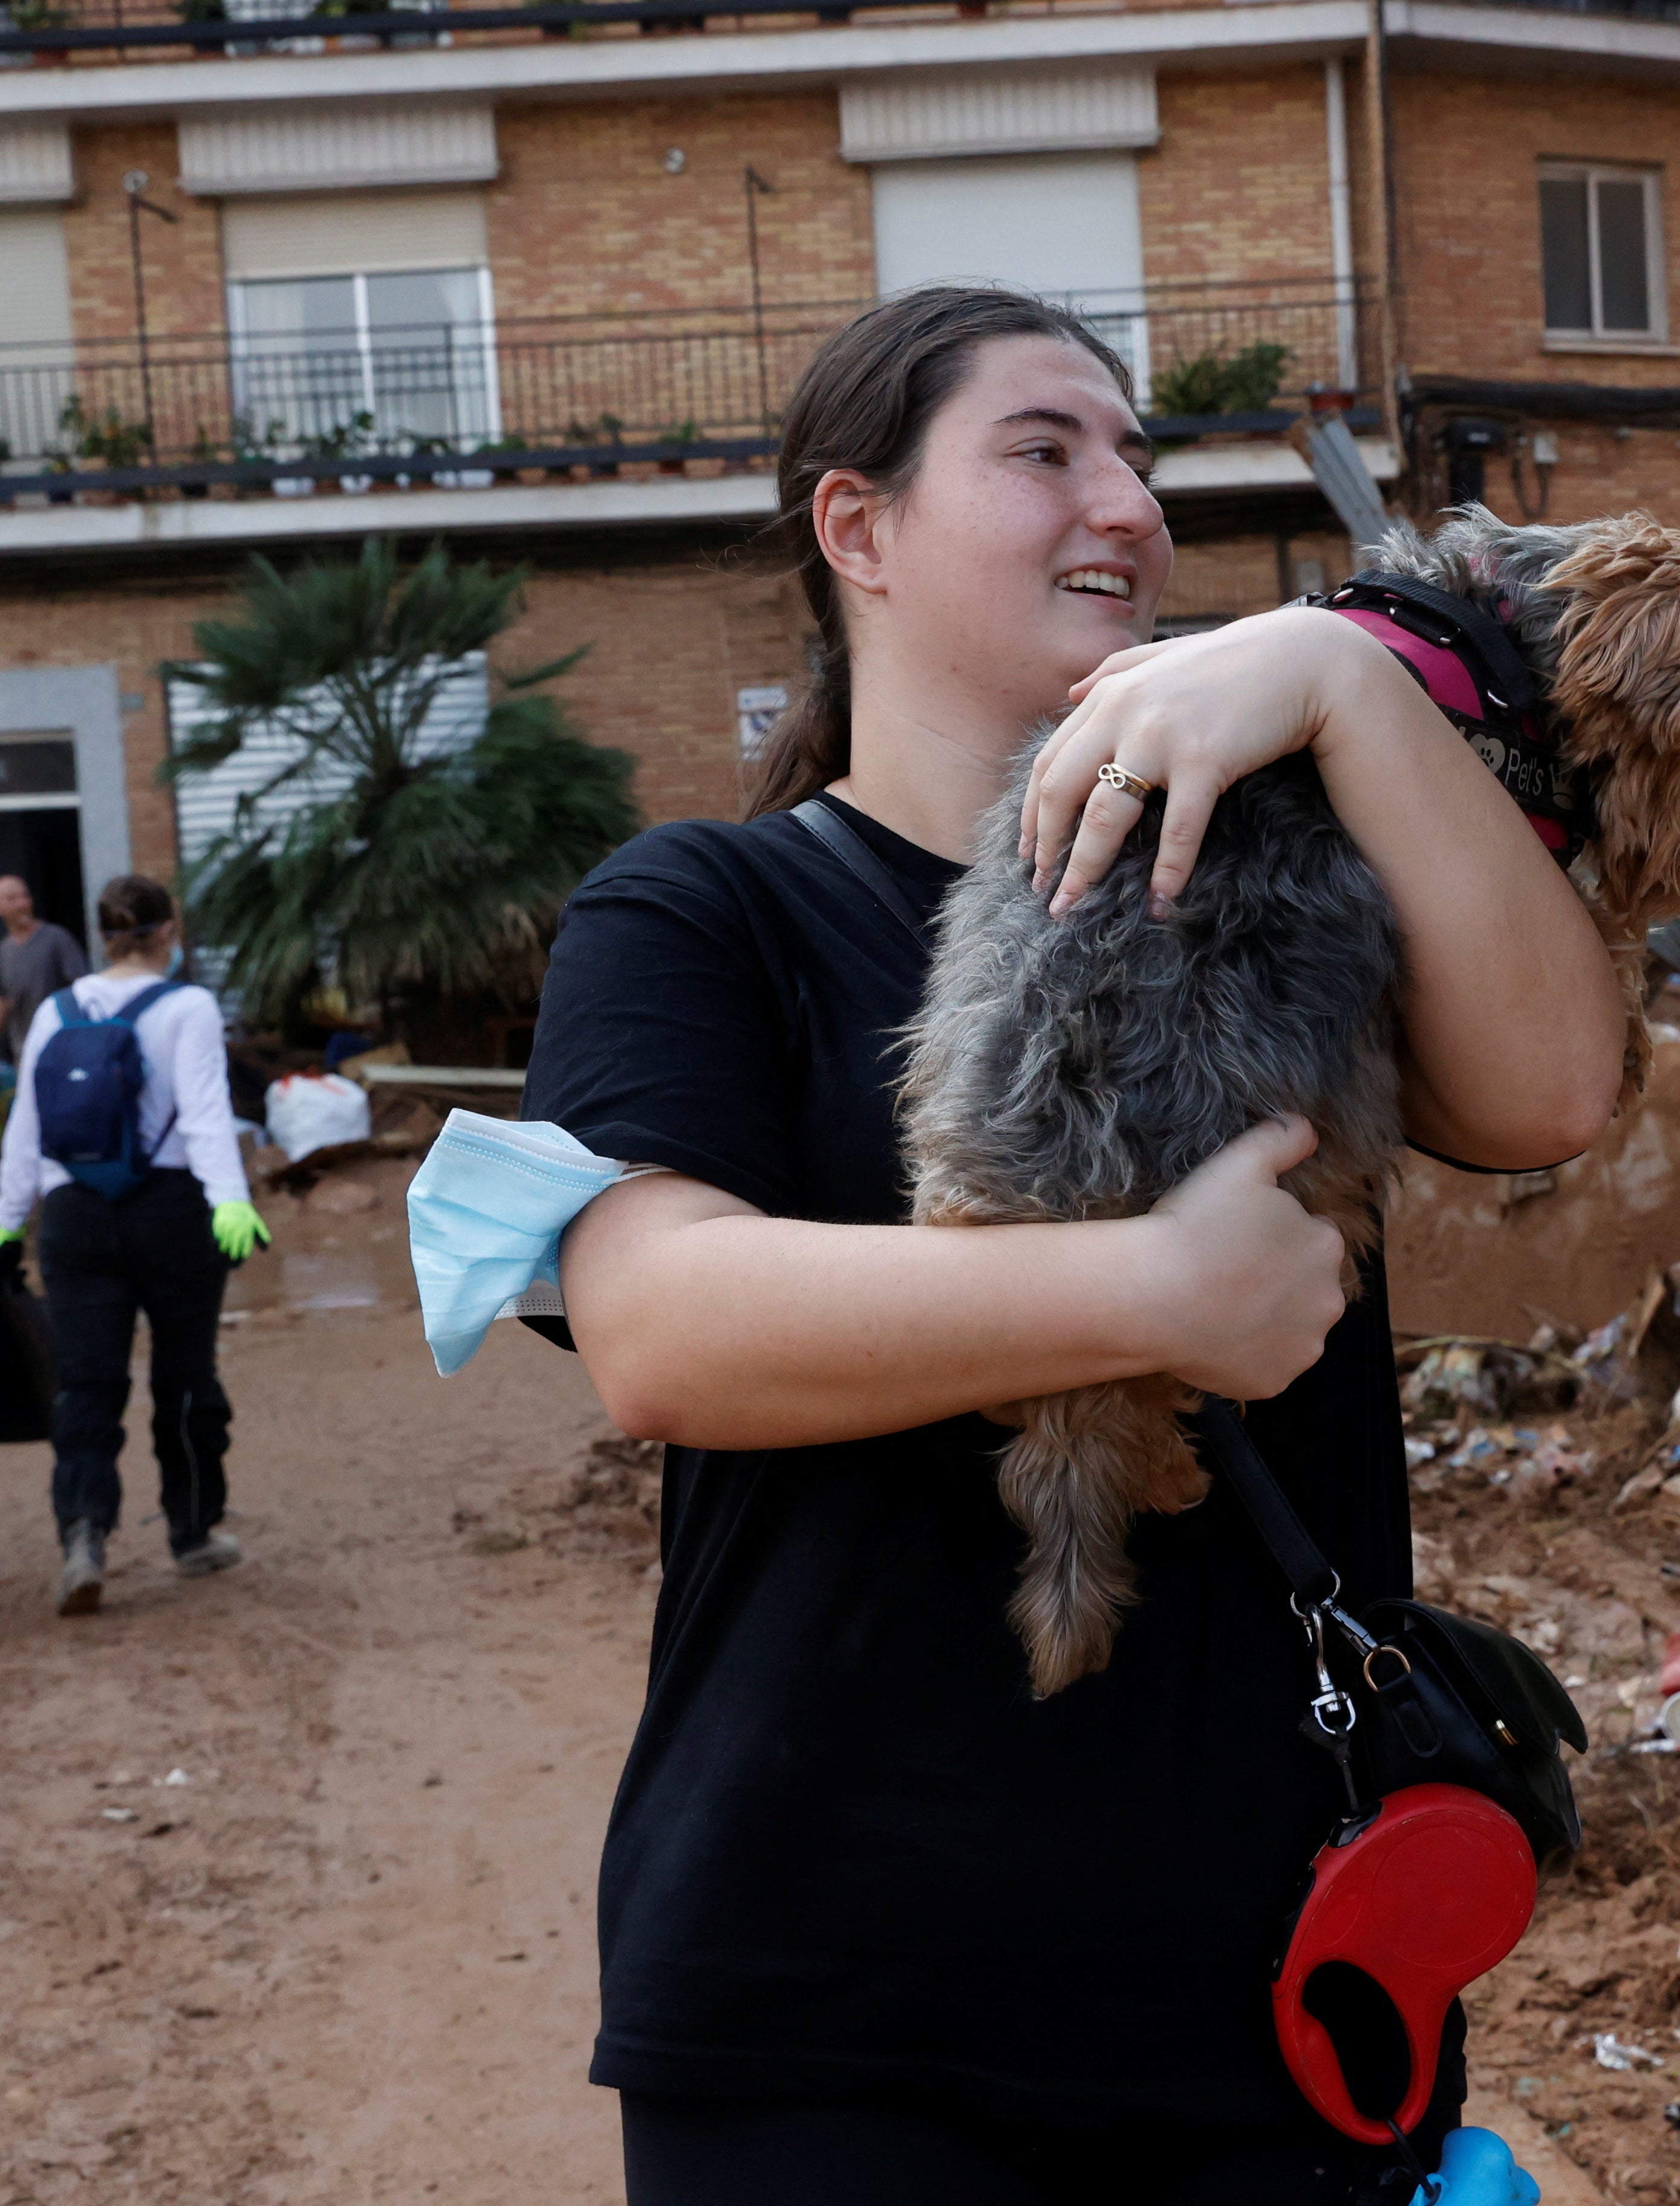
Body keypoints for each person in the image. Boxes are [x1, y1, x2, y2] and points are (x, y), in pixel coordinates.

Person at [528, 290, 1623, 2204]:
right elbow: (657, 1326)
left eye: (1138, 456)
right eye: (1044, 451)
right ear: (854, 530)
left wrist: (1347, 686)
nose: (1122, 501)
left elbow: (1549, 1094)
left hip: (1276, 1978)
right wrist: (1147, 1294)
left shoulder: (1272, 869)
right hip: (840, 2010)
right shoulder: (707, 908)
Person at [0, 874, 273, 1618]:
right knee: (184, 1379)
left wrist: (5, 1224)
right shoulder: (189, 1007)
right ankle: (190, 1534)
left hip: (75, 1215)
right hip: (173, 1214)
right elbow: (208, 1115)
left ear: (103, 935)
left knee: (86, 1384)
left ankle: (84, 1536)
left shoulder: (56, 1011)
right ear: (168, 931)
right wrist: (232, 1205)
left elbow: (27, 1126)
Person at [0, 873, 88, 1073]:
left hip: (61, 1049)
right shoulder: (4, 950)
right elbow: (2, 1000)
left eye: (25, 896)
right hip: (24, 1054)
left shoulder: (56, 939)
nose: (22, 904)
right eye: (12, 899)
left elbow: (83, 988)